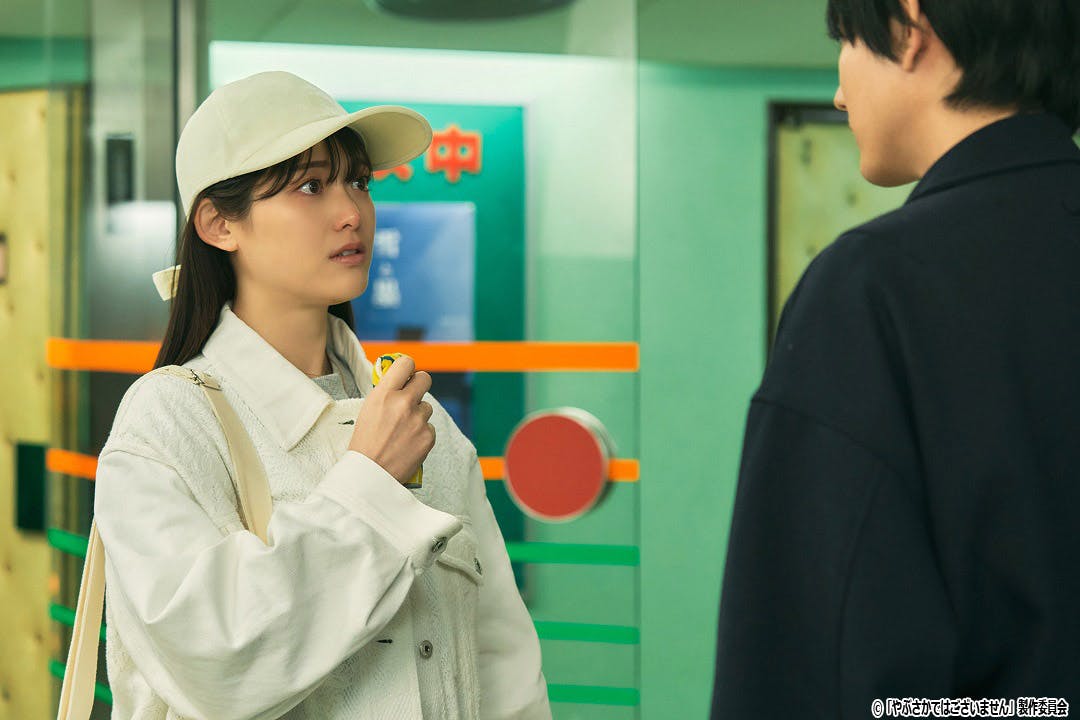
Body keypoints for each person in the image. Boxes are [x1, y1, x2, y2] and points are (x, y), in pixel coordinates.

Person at [93, 71, 551, 720]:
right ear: (219, 224)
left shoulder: (425, 426)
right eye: (311, 186)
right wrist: (369, 484)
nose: (352, 212)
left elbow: (505, 672)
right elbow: (215, 664)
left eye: (358, 181)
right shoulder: (168, 421)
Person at [712, 0, 1080, 716]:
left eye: (846, 40)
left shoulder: (876, 287)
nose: (838, 91)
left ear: (910, 27)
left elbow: (811, 668)